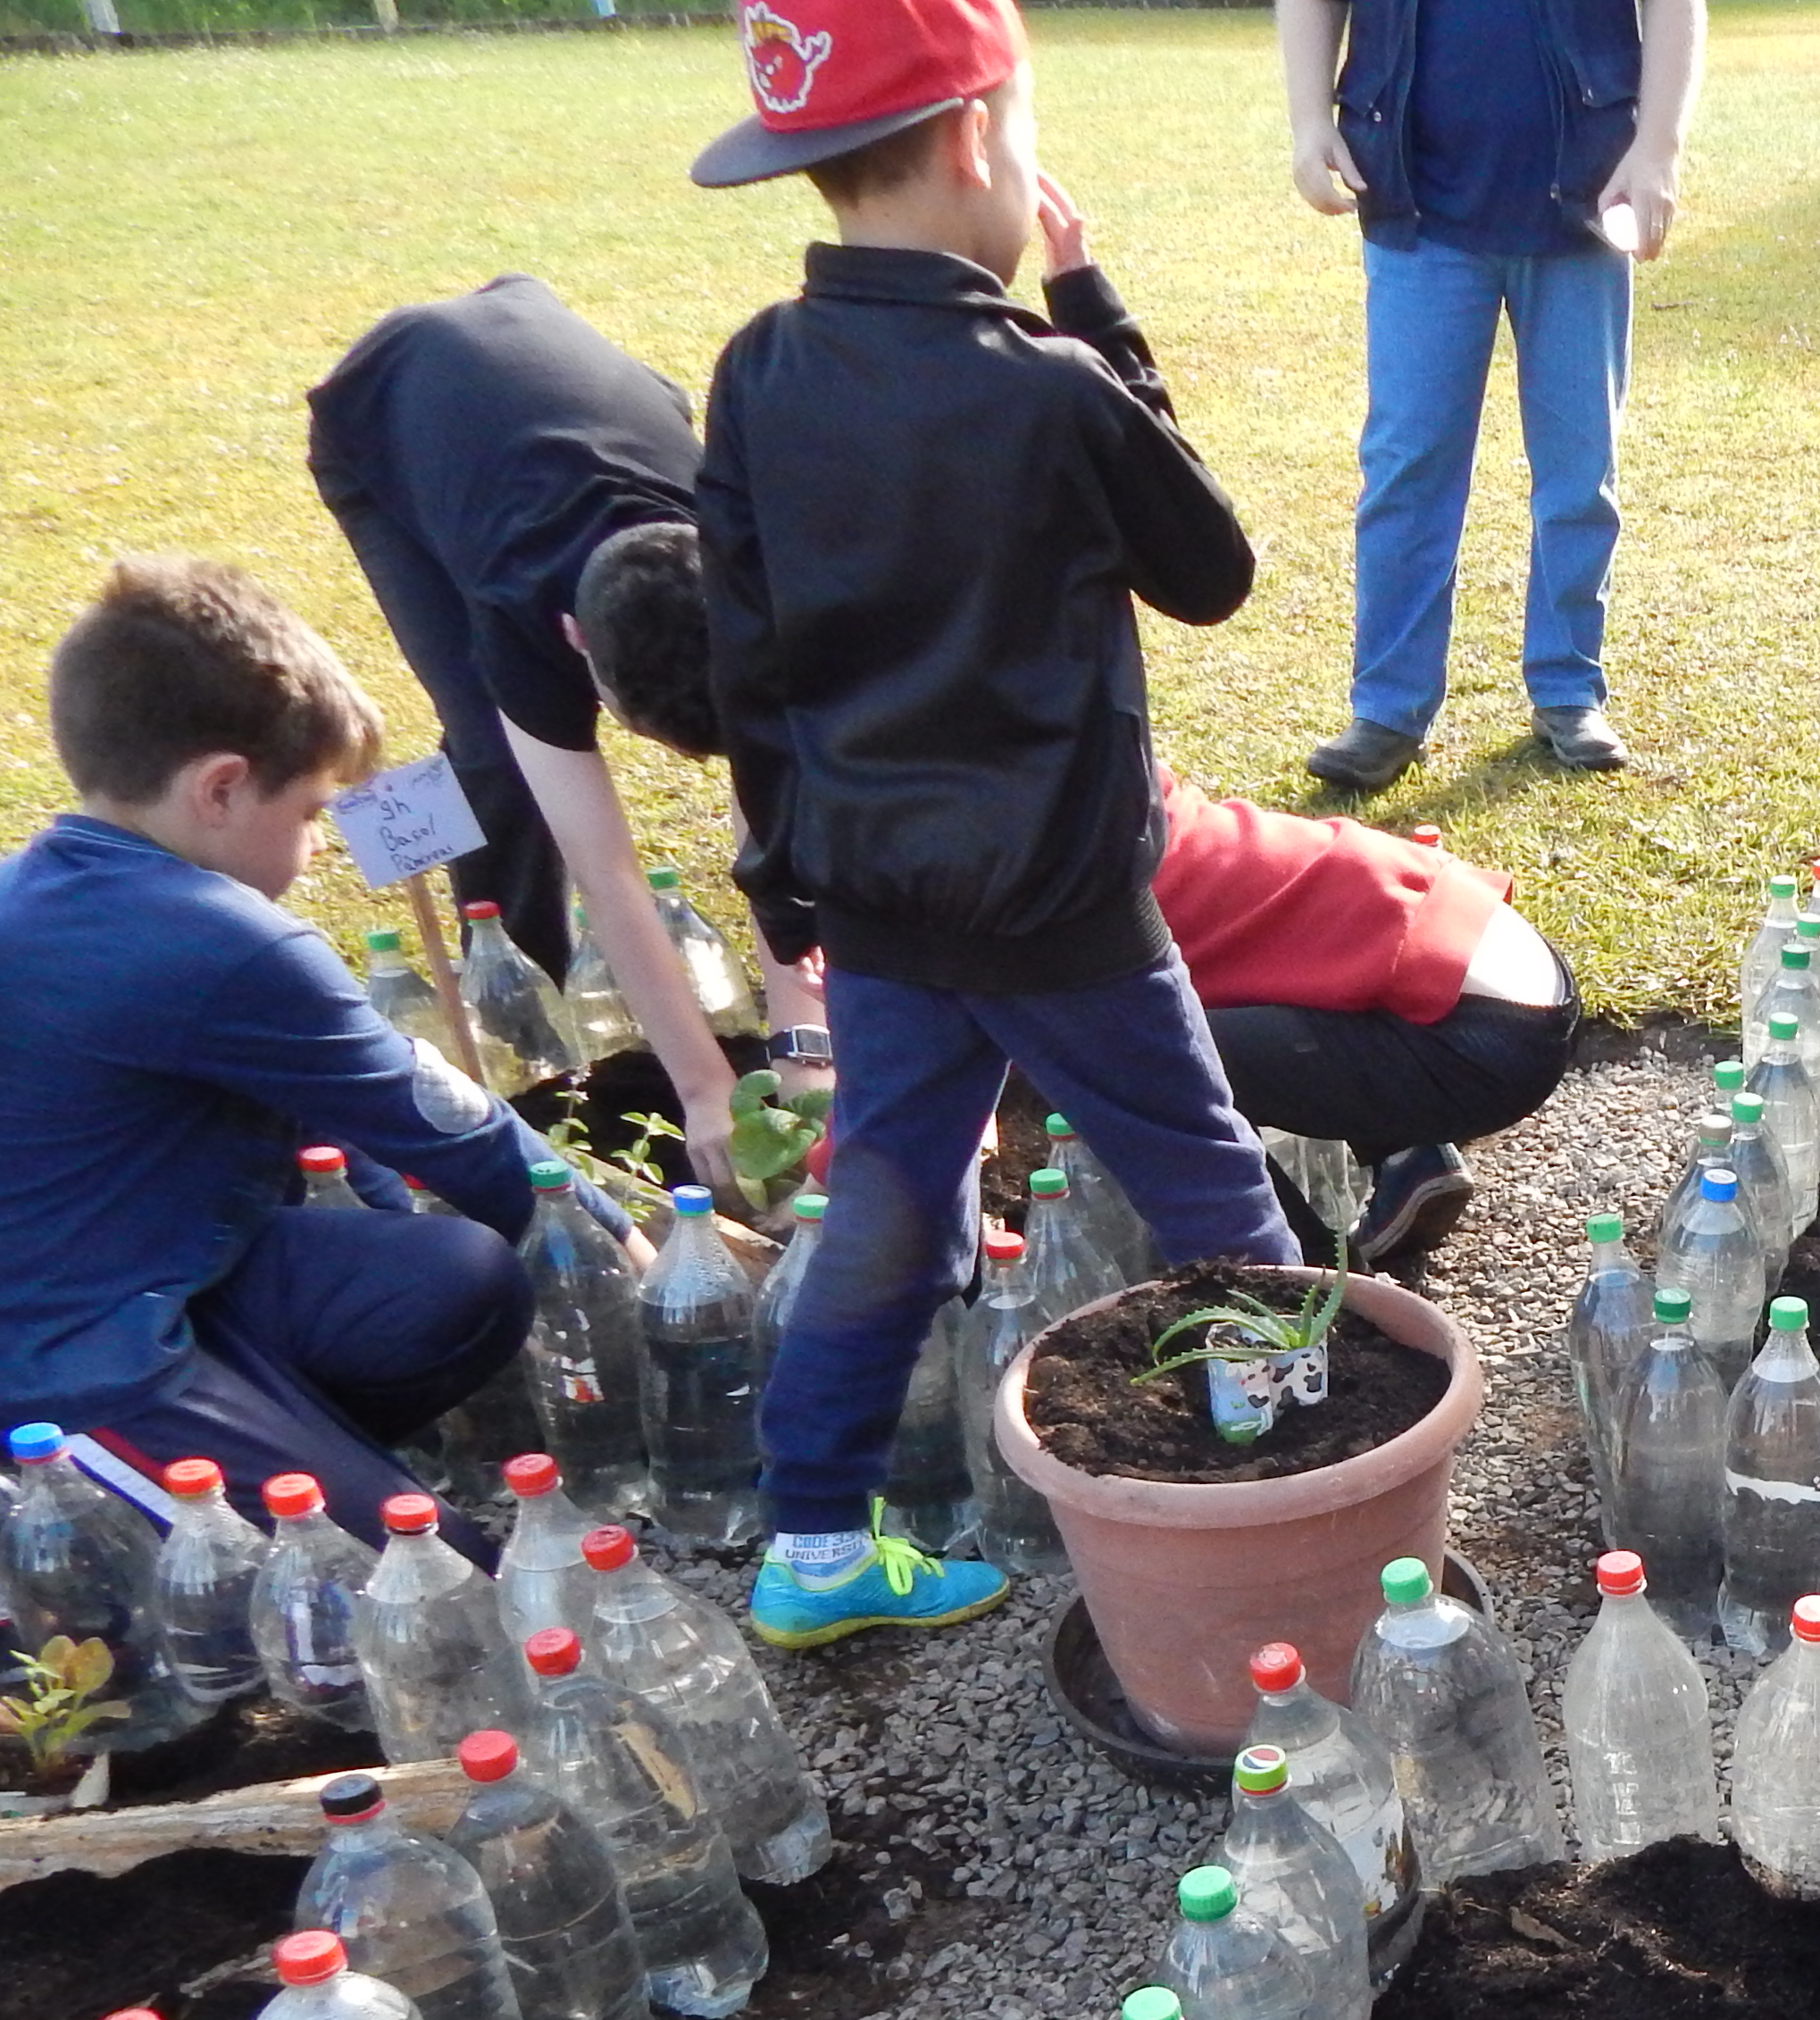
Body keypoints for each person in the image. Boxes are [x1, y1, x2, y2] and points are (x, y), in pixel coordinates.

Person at [689, 0, 1295, 1647]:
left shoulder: (755, 373)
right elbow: (1211, 569)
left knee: (890, 1193)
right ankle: (1288, 1465)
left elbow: (746, 660)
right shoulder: (1046, 383)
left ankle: (811, 1538)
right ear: (975, 139)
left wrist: (777, 870)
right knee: (1205, 1183)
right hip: (1060, 904)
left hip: (874, 895)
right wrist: (1093, 308)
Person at [572, 563, 1586, 1267]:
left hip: (1475, 1029)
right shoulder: (952, 725)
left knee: (1118, 1077)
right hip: (1485, 962)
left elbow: (914, 1079)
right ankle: (1398, 1154)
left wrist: (819, 1205)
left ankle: (1313, 1287)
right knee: (1136, 1025)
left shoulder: (923, 848)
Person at [0, 560, 601, 1543]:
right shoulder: (218, 940)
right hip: (64, 1374)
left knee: (453, 1279)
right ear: (223, 788)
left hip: (151, 1280)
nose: (320, 846)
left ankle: (275, 1443)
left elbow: (339, 1110)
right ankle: (99, 1546)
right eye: (313, 814)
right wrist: (636, 1250)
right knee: (436, 1586)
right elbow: (455, 1132)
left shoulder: (41, 885)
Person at [306, 278, 814, 1199]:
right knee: (497, 762)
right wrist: (702, 1089)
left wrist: (801, 1040)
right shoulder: (522, 607)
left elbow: (772, 809)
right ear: (574, 644)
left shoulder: (744, 559)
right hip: (384, 409)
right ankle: (529, 1040)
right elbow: (607, 868)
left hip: (577, 379)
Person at [1279, 0, 1706, 796]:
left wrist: (1659, 149)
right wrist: (1308, 121)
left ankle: (1568, 689)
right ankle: (1389, 711)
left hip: (1585, 195)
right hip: (1416, 205)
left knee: (1581, 470)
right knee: (1408, 469)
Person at [1149, 768, 1582, 1262]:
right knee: (1257, 986)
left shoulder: (1087, 893)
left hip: (1482, 1042)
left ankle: (1314, 1292)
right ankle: (1408, 1154)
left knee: (1151, 1072)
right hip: (1511, 969)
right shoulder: (1136, 803)